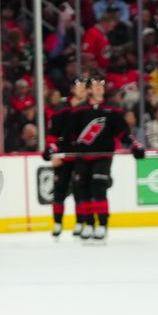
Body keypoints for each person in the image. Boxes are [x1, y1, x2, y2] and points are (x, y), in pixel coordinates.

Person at [65, 77, 145, 240]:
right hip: (83, 156)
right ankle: (89, 223)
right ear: (88, 90)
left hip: (104, 155)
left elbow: (122, 132)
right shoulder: (79, 110)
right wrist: (56, 147)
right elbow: (69, 134)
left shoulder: (113, 109)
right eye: (95, 85)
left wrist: (135, 145)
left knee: (98, 187)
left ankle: (102, 224)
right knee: (84, 190)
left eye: (101, 84)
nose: (99, 87)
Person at [43, 77, 90, 237]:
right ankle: (57, 223)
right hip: (63, 155)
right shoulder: (61, 108)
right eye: (80, 86)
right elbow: (52, 133)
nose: (83, 89)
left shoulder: (89, 108)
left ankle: (80, 222)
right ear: (72, 89)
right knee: (59, 190)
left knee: (80, 191)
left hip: (81, 156)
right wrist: (53, 154)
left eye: (85, 87)